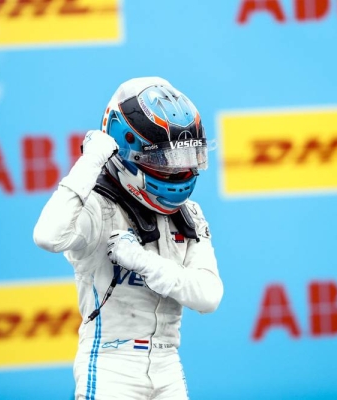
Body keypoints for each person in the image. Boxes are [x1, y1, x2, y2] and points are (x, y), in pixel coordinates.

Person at [33, 77, 223, 400]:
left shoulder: (189, 214)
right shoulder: (99, 208)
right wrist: (91, 159)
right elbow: (47, 235)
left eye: (187, 160)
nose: (180, 173)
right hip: (110, 362)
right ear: (127, 150)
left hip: (167, 360)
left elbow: (209, 295)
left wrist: (142, 261)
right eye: (165, 161)